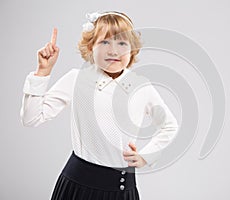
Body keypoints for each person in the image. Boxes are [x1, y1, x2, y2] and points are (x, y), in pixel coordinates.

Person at [20, 11, 179, 200]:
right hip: (77, 186)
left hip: (121, 190)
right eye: (104, 42)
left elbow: (169, 125)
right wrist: (42, 72)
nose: (113, 51)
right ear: (90, 47)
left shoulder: (141, 87)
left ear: (132, 49)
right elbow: (31, 118)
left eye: (121, 43)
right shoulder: (76, 78)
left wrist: (148, 155)